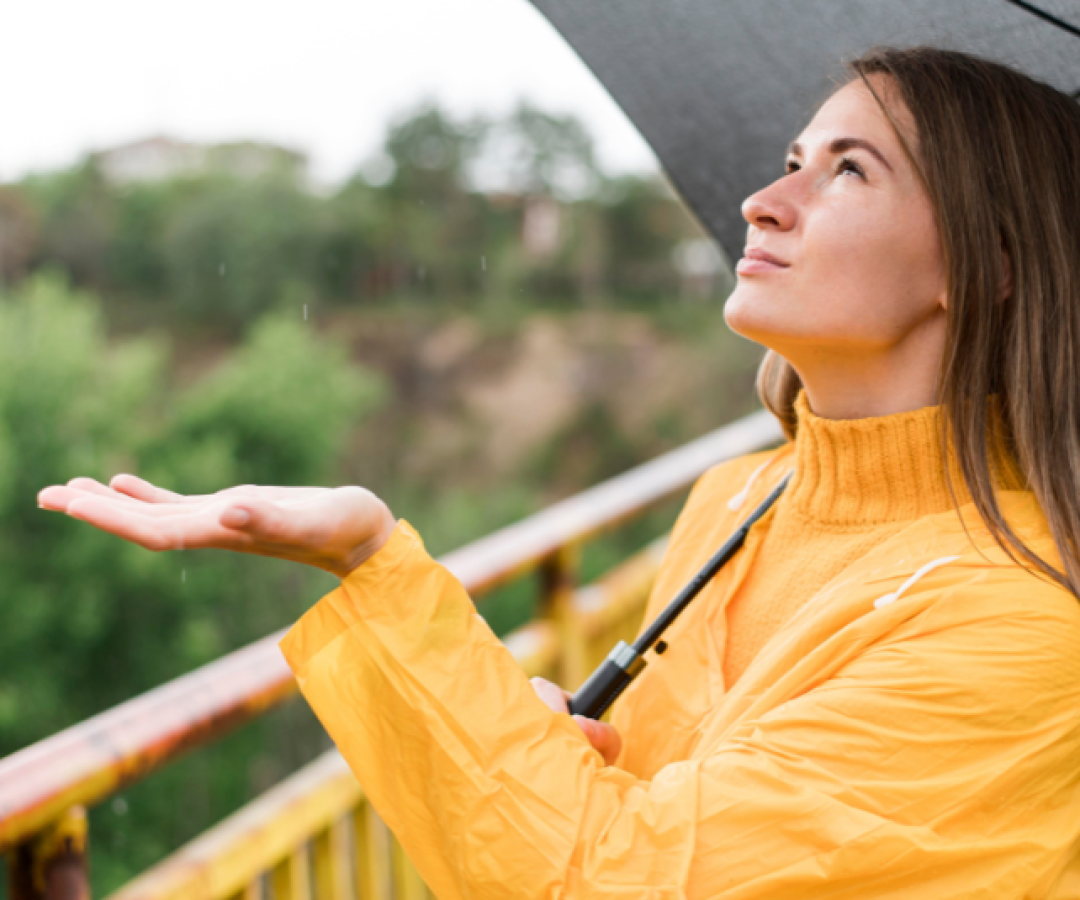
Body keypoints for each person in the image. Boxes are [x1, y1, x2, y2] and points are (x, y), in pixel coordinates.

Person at [39, 46, 1080, 897]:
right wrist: (563, 763)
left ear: (986, 264)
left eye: (848, 170)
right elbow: (649, 834)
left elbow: (609, 883)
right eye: (793, 157)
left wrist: (374, 564)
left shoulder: (1027, 626)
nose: (766, 200)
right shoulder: (743, 499)